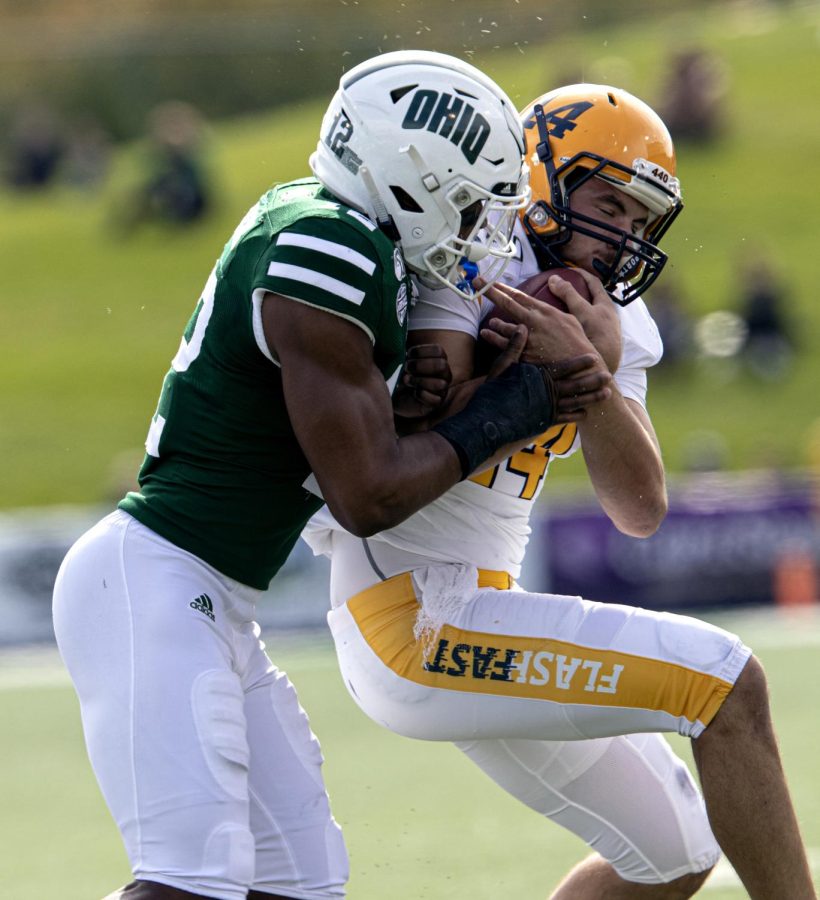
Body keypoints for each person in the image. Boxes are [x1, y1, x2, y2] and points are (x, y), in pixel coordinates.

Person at [51, 52, 614, 900]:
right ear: (416, 174)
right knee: (189, 882)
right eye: (469, 199)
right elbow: (367, 495)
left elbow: (331, 434)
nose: (478, 226)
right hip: (157, 576)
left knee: (300, 883)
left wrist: (427, 404)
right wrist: (516, 406)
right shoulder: (331, 243)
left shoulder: (332, 226)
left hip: (208, 596)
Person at [304, 84, 817, 899]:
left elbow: (639, 508)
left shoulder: (617, 317)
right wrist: (531, 370)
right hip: (410, 617)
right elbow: (402, 432)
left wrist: (596, 375)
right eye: (610, 203)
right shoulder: (459, 251)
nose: (625, 237)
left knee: (677, 852)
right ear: (539, 175)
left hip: (483, 610)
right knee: (727, 682)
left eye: (643, 222)